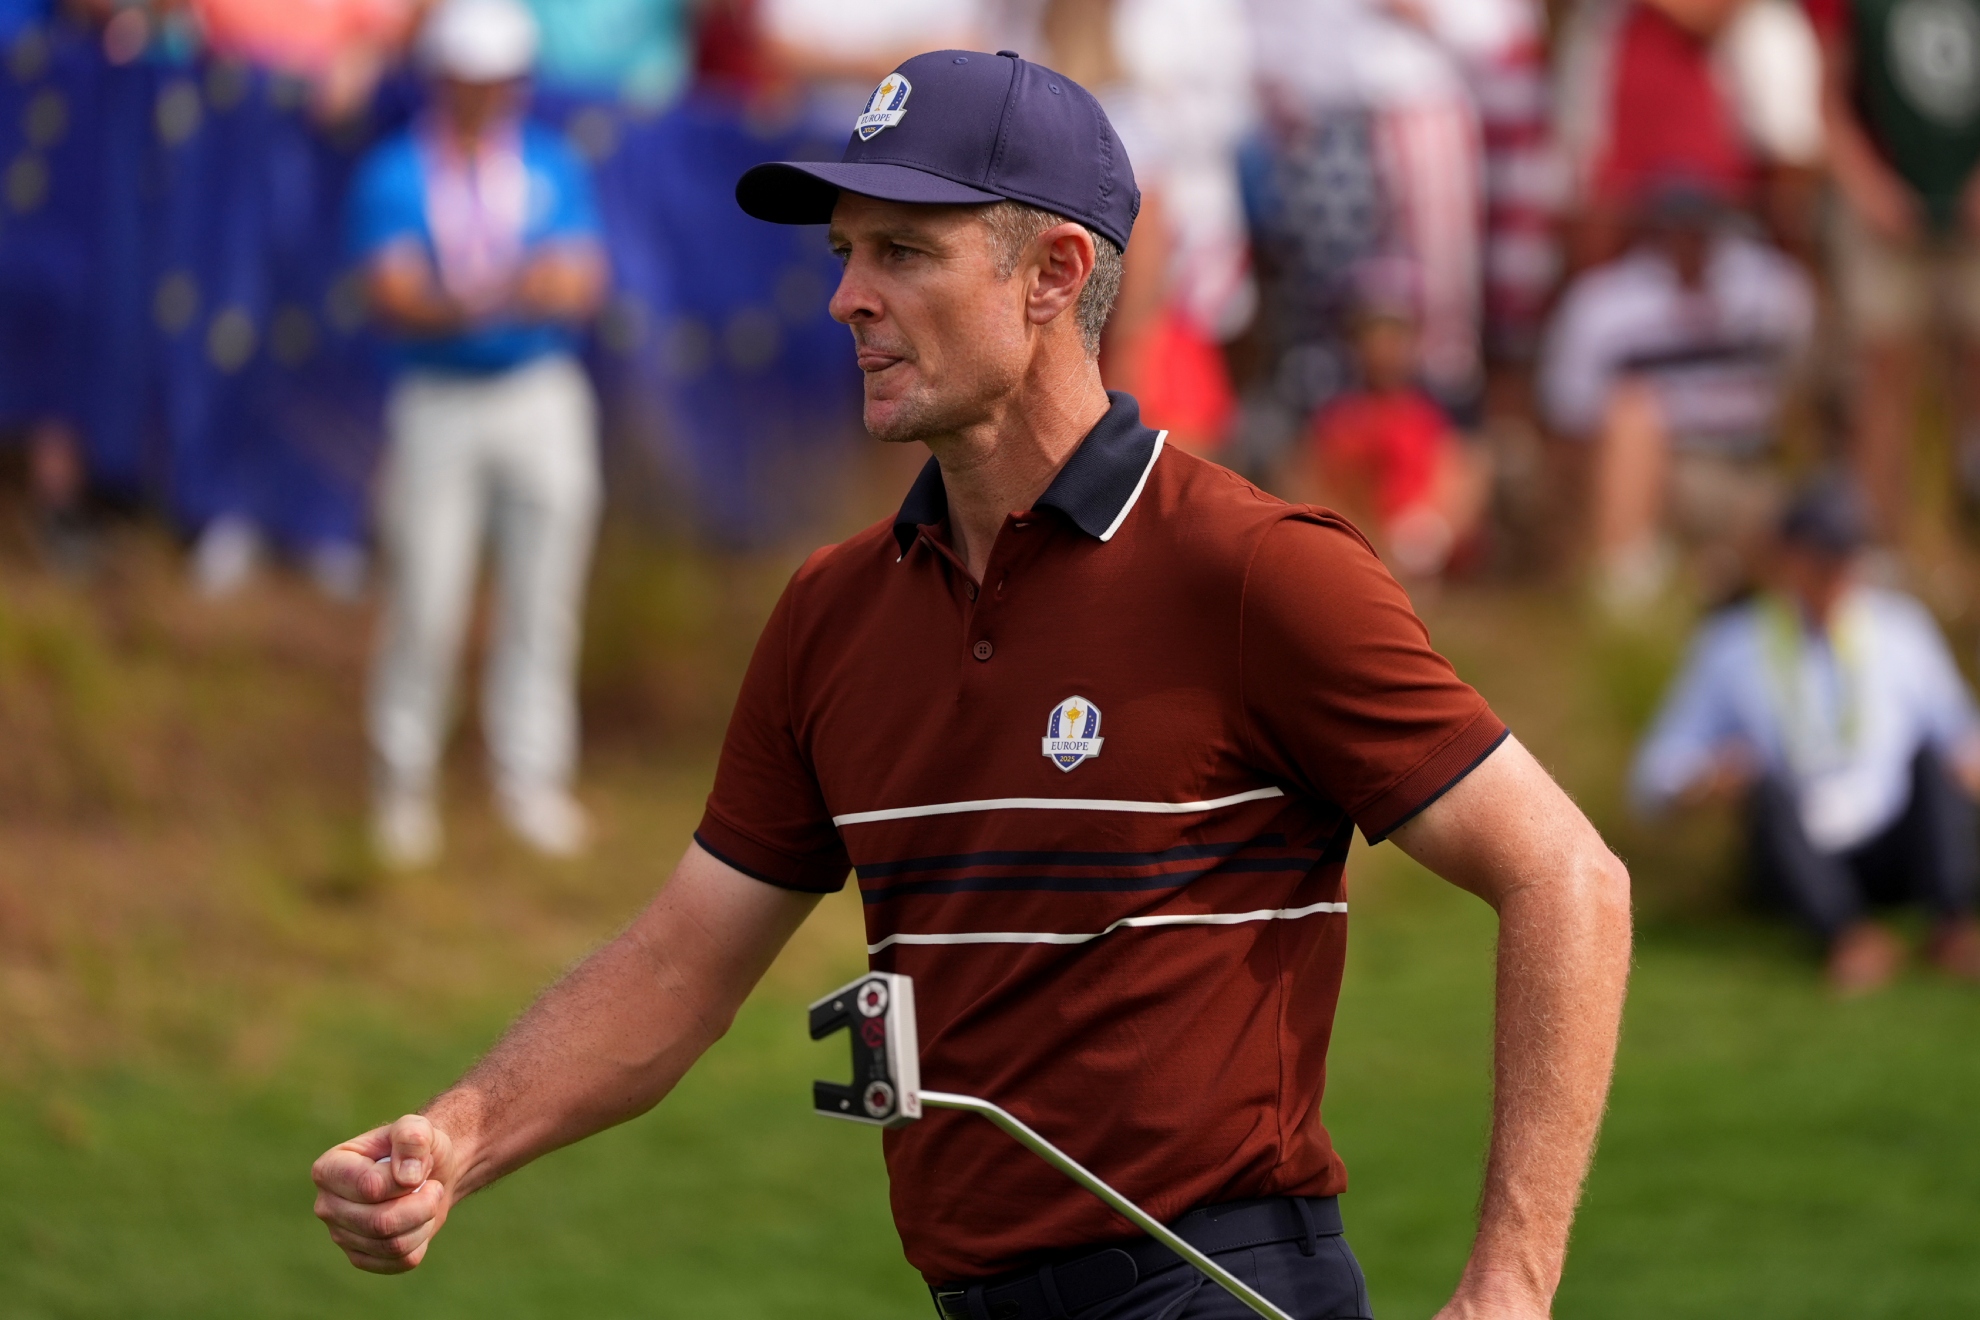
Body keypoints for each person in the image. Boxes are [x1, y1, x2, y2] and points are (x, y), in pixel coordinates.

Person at [311, 49, 1632, 1320]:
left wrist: (1509, 1288)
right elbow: (678, 968)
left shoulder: (1253, 572)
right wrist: (459, 1135)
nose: (847, 298)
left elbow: (1568, 879)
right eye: (845, 254)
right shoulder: (831, 614)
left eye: (903, 251)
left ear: (1055, 273)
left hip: (1216, 1286)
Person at [348, 0, 609, 866]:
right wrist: (507, 290)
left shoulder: (549, 161)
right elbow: (393, 294)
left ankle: (529, 780)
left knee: (545, 595)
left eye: (502, 79)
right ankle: (402, 785)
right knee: (426, 594)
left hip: (541, 393)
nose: (489, 94)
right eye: (473, 78)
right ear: (444, 79)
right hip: (437, 401)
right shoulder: (395, 172)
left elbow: (580, 282)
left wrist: (458, 297)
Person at [1632, 479, 1980, 990]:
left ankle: (1951, 927)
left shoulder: (1902, 631)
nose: (1833, 574)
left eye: (1845, 557)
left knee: (1931, 759)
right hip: (1801, 851)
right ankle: (1845, 938)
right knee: (1767, 789)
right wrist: (1706, 780)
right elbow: (1653, 775)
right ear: (1786, 559)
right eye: (1820, 557)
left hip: (1893, 838)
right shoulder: (1732, 646)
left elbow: (1961, 734)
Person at [1538, 181, 1815, 610]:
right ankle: (1625, 580)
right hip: (1665, 469)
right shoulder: (1604, 306)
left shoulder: (1769, 291)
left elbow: (1801, 382)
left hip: (1750, 465)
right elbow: (1569, 421)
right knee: (1634, 412)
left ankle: (1721, 571)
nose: (1690, 242)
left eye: (1700, 229)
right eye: (1678, 230)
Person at [1809, 0, 1980, 535]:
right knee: (1884, 370)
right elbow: (1829, 95)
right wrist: (1868, 187)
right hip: (1883, 208)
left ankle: (1966, 539)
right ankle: (1879, 541)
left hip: (1970, 207)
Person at [1309, 260, 1487, 580]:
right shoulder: (1342, 417)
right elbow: (1327, 489)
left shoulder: (1431, 415)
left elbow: (1455, 478)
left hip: (1424, 534)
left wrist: (1433, 528)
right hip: (1365, 540)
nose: (1385, 350)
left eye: (1395, 337)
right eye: (1375, 337)